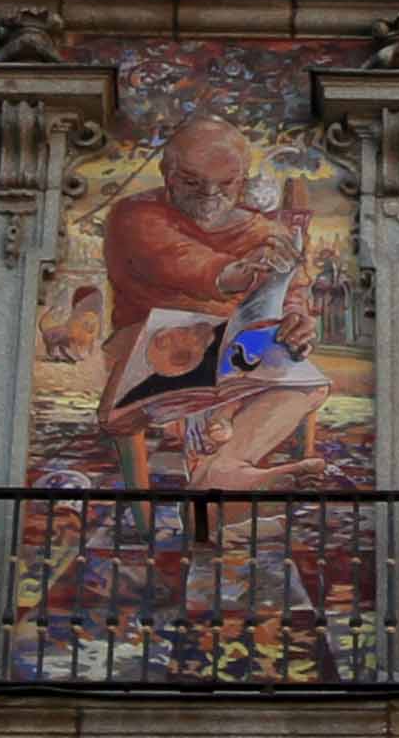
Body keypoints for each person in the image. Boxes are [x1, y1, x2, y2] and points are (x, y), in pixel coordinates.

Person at [94, 120, 333, 491]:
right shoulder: (134, 214)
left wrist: (297, 321)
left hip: (241, 352)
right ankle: (222, 465)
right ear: (167, 173)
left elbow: (292, 292)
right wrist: (230, 273)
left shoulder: (267, 232)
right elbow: (174, 258)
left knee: (306, 384)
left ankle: (224, 468)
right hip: (153, 344)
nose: (209, 194)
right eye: (192, 182)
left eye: (226, 184)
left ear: (243, 180)